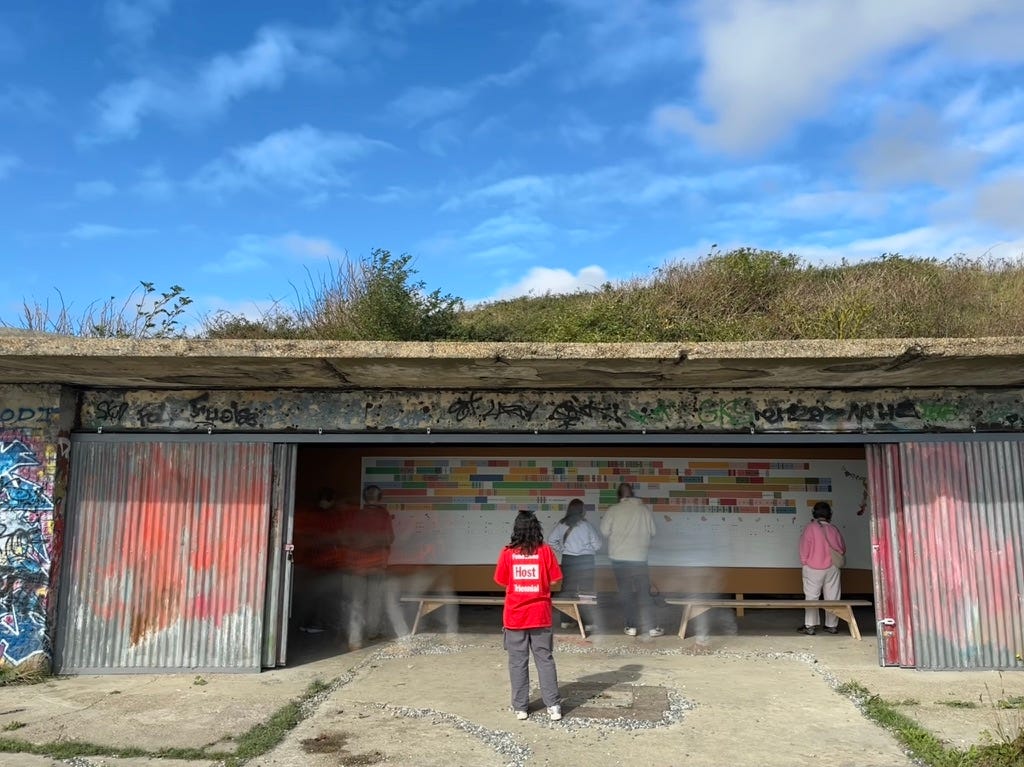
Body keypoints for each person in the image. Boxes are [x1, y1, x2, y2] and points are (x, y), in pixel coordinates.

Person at [494, 509, 564, 722]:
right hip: (540, 615)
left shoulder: (507, 553)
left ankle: (521, 707)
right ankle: (553, 706)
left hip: (515, 616)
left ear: (516, 530)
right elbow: (555, 580)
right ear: (537, 529)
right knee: (545, 659)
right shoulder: (545, 552)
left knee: (517, 662)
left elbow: (502, 581)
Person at [599, 482, 664, 638]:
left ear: (619, 496)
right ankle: (651, 628)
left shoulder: (613, 510)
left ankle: (631, 626)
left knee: (626, 593)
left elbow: (604, 531)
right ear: (633, 494)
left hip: (619, 559)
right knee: (644, 593)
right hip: (639, 559)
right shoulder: (643, 510)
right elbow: (653, 532)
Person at [338, 484, 395, 650]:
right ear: (380, 498)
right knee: (375, 600)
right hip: (377, 564)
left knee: (356, 602)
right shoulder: (383, 515)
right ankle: (372, 632)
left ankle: (354, 639)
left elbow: (347, 538)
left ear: (364, 498)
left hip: (357, 566)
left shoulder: (356, 515)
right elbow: (390, 538)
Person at [291, 486, 343, 633]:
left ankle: (304, 623)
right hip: (325, 563)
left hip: (307, 562)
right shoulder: (331, 517)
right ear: (331, 500)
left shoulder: (309, 515)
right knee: (324, 597)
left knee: (308, 597)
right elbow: (336, 538)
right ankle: (317, 624)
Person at [546, 498, 602, 631]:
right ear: (581, 511)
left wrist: (563, 550)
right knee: (586, 591)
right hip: (586, 560)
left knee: (567, 590)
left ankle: (566, 621)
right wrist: (587, 549)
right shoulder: (586, 525)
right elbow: (598, 544)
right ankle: (588, 623)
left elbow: (551, 541)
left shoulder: (562, 524)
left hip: (568, 559)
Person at [798, 501, 847, 635]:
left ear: (814, 513)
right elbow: (842, 549)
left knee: (812, 597)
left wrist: (805, 562)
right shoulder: (833, 529)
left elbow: (804, 548)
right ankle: (831, 625)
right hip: (832, 568)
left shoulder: (810, 528)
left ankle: (810, 626)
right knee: (832, 597)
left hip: (813, 567)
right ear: (829, 514)